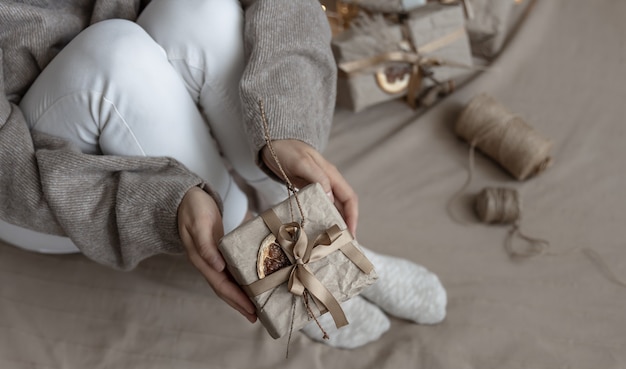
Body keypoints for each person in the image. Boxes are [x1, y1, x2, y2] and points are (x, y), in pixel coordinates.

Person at [0, 0, 446, 349]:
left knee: (203, 10)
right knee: (113, 54)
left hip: (139, 88)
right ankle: (256, 254)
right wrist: (164, 202)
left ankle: (300, 223)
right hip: (32, 188)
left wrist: (284, 128)